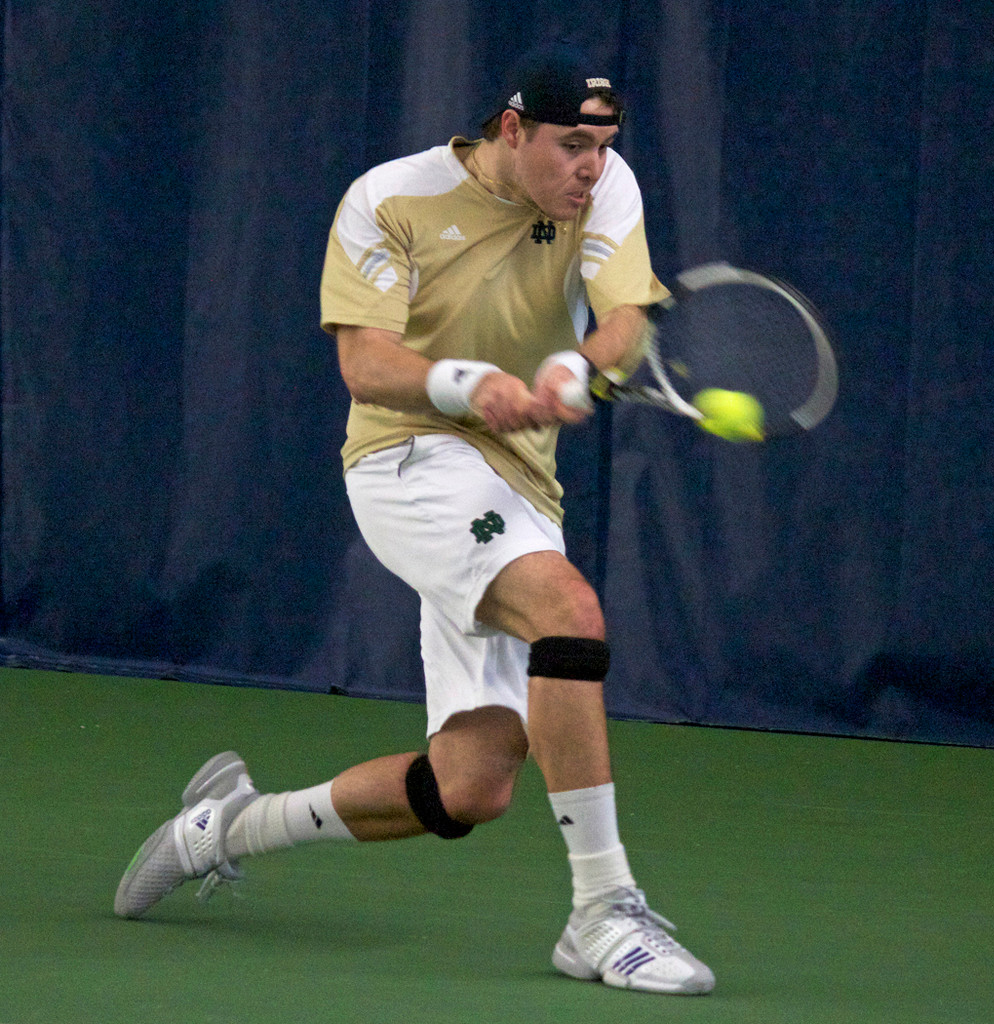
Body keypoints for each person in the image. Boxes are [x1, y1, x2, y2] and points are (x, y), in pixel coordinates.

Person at [114, 42, 715, 997]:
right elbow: (365, 363)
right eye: (571, 146)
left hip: (521, 485)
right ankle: (604, 910)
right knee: (568, 613)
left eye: (603, 147)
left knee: (468, 788)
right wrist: (469, 383)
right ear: (511, 130)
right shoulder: (389, 198)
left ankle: (226, 826)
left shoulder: (606, 186)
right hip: (407, 458)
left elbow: (624, 320)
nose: (590, 168)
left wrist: (577, 366)